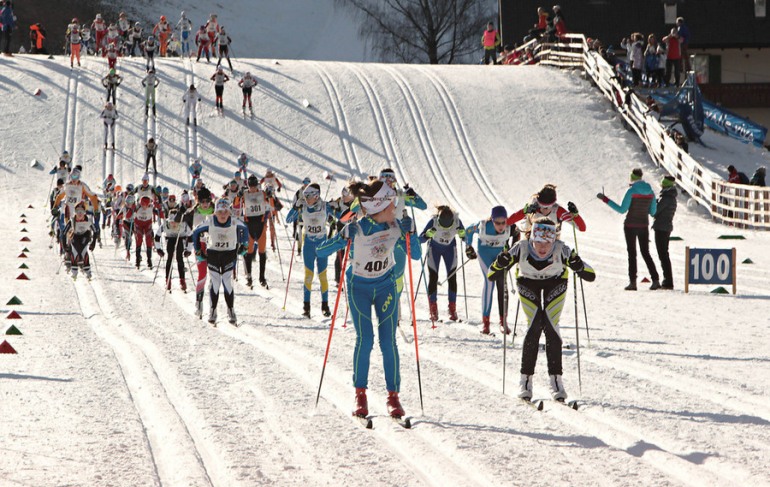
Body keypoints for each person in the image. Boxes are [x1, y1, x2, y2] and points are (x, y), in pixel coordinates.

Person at [316, 179, 421, 420]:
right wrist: (341, 237)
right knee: (366, 339)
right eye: (391, 204)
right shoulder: (358, 227)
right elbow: (321, 251)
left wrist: (411, 233)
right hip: (359, 288)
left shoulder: (396, 225)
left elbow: (415, 255)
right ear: (379, 207)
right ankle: (360, 394)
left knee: (388, 341)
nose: (395, 208)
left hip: (385, 285)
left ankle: (393, 397)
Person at [487, 218, 595, 402]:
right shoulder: (521, 247)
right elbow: (491, 275)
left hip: (556, 282)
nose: (543, 247)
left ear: (554, 239)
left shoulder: (562, 249)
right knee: (535, 325)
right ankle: (525, 381)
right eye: (538, 242)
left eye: (548, 242)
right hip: (528, 282)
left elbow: (591, 275)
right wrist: (500, 262)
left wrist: (578, 265)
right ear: (531, 237)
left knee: (551, 326)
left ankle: (556, 382)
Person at [597, 168, 660, 290]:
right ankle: (655, 279)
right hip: (643, 225)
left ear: (632, 178)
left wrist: (605, 199)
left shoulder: (631, 191)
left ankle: (633, 283)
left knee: (632, 254)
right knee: (646, 253)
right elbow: (653, 212)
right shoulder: (651, 192)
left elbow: (622, 210)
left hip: (630, 225)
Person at [191, 198, 249, 325]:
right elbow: (195, 232)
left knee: (227, 281)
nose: (223, 215)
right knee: (216, 282)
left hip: (229, 254)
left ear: (229, 212)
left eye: (225, 212)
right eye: (220, 212)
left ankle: (231, 310)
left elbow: (245, 229)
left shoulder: (234, 221)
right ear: (215, 212)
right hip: (213, 254)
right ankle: (213, 310)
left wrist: (245, 245)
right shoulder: (210, 221)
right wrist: (197, 250)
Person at [465, 205, 519, 334]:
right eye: (497, 223)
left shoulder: (510, 226)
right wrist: (468, 247)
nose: (501, 226)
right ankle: (486, 323)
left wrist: (511, 252)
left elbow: (517, 235)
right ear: (492, 220)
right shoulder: (483, 226)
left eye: (503, 222)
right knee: (489, 283)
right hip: (485, 256)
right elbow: (468, 230)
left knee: (502, 284)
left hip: (500, 257)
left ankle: (503, 322)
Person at [286, 183, 335, 318]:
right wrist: (296, 207)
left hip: (322, 244)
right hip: (308, 244)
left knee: (323, 276)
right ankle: (306, 307)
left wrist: (333, 229)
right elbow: (288, 219)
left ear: (316, 195)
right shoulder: (303, 206)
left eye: (308, 195)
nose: (306, 198)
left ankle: (325, 305)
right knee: (308, 276)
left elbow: (338, 220)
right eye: (305, 195)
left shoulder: (325, 206)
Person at [419, 205, 466, 322]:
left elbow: (466, 238)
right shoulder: (433, 221)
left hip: (449, 249)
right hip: (434, 249)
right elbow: (420, 239)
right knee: (433, 277)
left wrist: (463, 234)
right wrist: (427, 235)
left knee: (452, 277)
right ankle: (433, 308)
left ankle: (452, 308)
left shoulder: (456, 221)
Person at [506, 184, 586, 238]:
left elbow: (582, 228)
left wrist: (575, 215)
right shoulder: (533, 209)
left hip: (552, 244)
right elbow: (509, 221)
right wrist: (524, 211)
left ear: (553, 204)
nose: (544, 209)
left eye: (547, 207)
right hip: (532, 241)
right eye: (541, 205)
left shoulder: (558, 212)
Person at [184, 186, 215, 318]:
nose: (204, 204)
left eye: (206, 201)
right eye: (202, 201)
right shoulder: (193, 212)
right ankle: (199, 303)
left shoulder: (215, 210)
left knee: (214, 276)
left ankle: (213, 306)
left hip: (214, 245)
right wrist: (188, 248)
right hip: (200, 246)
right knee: (202, 274)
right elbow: (189, 232)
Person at [241, 175, 272, 288]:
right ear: (248, 185)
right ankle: (249, 276)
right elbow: (235, 204)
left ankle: (262, 277)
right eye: (251, 186)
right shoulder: (244, 194)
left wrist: (270, 194)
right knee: (248, 252)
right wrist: (238, 196)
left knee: (262, 251)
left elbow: (271, 200)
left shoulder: (262, 193)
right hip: (249, 224)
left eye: (254, 186)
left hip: (260, 224)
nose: (253, 188)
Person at [155, 196, 191, 291]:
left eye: (176, 222)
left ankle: (182, 280)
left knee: (179, 258)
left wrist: (189, 250)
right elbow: (157, 236)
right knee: (170, 258)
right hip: (170, 240)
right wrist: (158, 249)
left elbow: (191, 236)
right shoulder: (166, 224)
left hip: (180, 240)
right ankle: (168, 281)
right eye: (172, 222)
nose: (173, 224)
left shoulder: (183, 224)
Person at [652, 176, 677, 290]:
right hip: (666, 227)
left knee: (663, 255)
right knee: (664, 254)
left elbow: (655, 212)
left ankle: (668, 281)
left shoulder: (666, 198)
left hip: (661, 227)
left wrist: (654, 203)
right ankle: (667, 280)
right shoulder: (671, 197)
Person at [63, 201, 97, 280]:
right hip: (75, 236)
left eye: (82, 211)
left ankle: (88, 271)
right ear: (75, 212)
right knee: (75, 251)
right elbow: (63, 233)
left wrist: (93, 243)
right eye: (77, 211)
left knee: (83, 251)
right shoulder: (72, 221)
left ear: (85, 212)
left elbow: (95, 231)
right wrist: (65, 246)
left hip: (85, 236)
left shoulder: (88, 220)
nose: (80, 214)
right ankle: (74, 271)